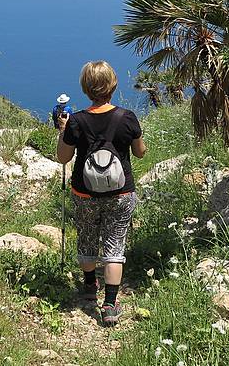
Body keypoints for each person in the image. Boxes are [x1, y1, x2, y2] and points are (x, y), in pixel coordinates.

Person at [55, 60, 146, 326]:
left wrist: (64, 131)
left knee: (86, 237)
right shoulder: (127, 117)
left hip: (84, 193)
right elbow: (140, 153)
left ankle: (88, 285)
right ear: (113, 86)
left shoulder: (77, 121)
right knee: (114, 246)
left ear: (86, 88)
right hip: (120, 193)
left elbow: (63, 158)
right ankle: (109, 304)